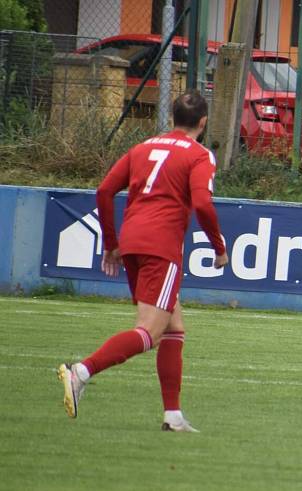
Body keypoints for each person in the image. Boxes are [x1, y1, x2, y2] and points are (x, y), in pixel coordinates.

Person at [57, 91, 228, 432]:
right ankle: (81, 372)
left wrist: (111, 243)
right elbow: (204, 205)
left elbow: (105, 190)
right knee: (150, 331)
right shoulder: (199, 156)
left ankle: (173, 416)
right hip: (161, 247)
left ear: (172, 116)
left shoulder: (144, 147)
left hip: (133, 241)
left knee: (173, 328)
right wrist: (219, 246)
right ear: (204, 122)